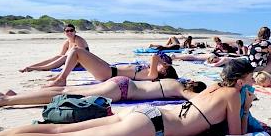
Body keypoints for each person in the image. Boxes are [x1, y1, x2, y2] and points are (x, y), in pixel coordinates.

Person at [0, 59, 256, 136]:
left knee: (56, 131)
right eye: (252, 78)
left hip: (145, 114)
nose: (254, 81)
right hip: (151, 128)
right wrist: (244, 109)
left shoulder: (212, 87)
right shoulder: (233, 94)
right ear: (242, 79)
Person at [0, 78, 207, 107]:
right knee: (67, 96)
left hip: (121, 83)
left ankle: (11, 96)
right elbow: (200, 99)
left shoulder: (174, 81)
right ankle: (7, 101)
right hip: (123, 91)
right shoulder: (180, 89)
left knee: (66, 89)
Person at [44, 49, 178, 87]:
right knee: (78, 53)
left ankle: (62, 79)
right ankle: (60, 77)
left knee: (76, 52)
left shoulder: (153, 75)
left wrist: (164, 62)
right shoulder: (150, 71)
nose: (162, 65)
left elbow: (155, 56)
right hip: (109, 69)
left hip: (107, 73)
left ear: (164, 71)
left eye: (164, 67)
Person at [19, 24, 89, 73]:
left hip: (82, 62)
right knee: (58, 57)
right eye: (67, 31)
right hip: (73, 61)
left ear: (75, 32)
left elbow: (82, 55)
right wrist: (62, 60)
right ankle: (30, 67)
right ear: (64, 33)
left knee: (65, 57)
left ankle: (37, 68)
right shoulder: (67, 42)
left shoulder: (78, 40)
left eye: (71, 30)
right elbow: (60, 56)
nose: (69, 32)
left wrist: (66, 59)